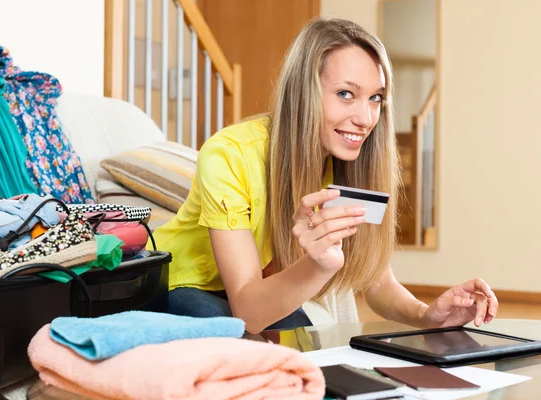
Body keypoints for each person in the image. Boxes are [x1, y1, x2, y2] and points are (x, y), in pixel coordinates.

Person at [152, 17, 498, 334]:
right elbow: (249, 311)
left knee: (311, 347)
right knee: (236, 339)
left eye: (375, 98)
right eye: (345, 94)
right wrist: (319, 266)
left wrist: (427, 315)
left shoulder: (346, 166)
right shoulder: (229, 154)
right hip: (182, 283)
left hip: (253, 291)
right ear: (304, 93)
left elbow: (377, 284)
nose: (365, 118)